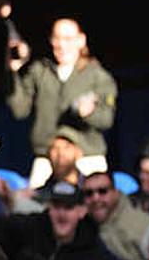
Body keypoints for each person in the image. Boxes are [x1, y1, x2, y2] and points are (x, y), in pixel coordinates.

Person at [8, 18, 117, 189]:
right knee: (34, 209)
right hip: (46, 158)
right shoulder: (40, 71)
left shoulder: (97, 76)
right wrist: (11, 74)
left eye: (68, 39)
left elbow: (106, 120)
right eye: (57, 38)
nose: (61, 45)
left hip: (87, 158)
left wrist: (88, 113)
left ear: (81, 40)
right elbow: (20, 110)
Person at [81, 171, 149, 260]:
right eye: (89, 193)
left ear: (116, 193)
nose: (95, 198)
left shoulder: (145, 225)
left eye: (102, 191)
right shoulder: (82, 228)